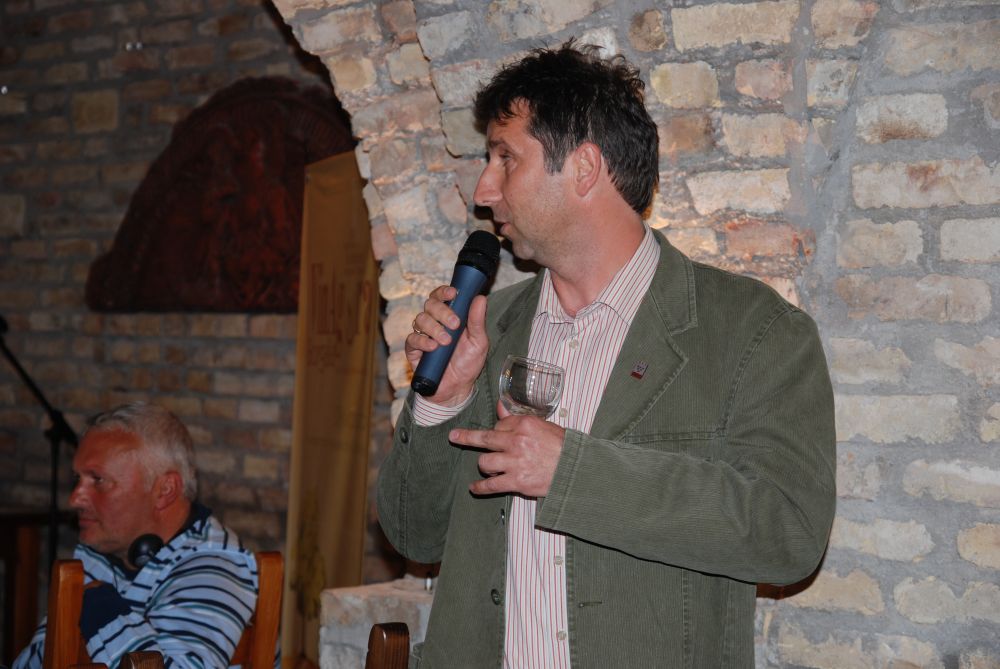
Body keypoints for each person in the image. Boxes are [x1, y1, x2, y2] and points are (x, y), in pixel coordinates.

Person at [377, 40, 836, 668]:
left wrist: (573, 472)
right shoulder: (489, 328)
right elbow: (413, 536)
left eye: (506, 158)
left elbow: (789, 533)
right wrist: (441, 403)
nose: (483, 190)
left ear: (585, 168)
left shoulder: (753, 331)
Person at [14, 402, 265, 669]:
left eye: (98, 480)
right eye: (78, 479)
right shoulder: (101, 551)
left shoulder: (215, 567)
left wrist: (96, 604)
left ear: (165, 490)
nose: (75, 498)